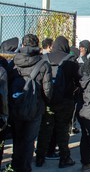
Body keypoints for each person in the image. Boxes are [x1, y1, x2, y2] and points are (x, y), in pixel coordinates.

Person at [8, 34, 53, 172]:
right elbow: (47, 90)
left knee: (17, 138)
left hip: (16, 105)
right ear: (37, 46)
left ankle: (15, 165)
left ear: (22, 45)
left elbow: (8, 84)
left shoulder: (14, 62)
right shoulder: (43, 63)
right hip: (35, 107)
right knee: (29, 140)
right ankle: (25, 169)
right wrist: (45, 103)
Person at [35, 36, 80, 168]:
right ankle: (64, 158)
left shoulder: (44, 58)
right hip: (65, 100)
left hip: (47, 99)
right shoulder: (71, 60)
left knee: (45, 129)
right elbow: (78, 80)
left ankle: (39, 158)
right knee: (62, 130)